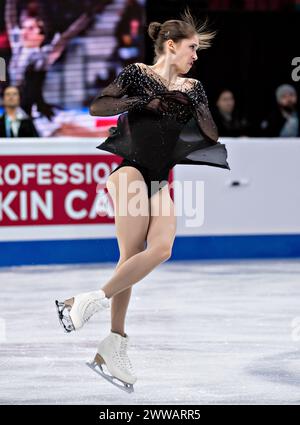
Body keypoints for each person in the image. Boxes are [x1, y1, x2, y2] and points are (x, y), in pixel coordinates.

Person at [55, 7, 230, 393]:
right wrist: (142, 103)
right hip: (130, 170)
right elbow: (98, 107)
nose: (195, 57)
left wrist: (192, 104)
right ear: (171, 45)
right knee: (131, 252)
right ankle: (114, 342)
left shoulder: (192, 86)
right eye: (191, 49)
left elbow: (211, 134)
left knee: (162, 248)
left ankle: (88, 304)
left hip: (160, 178)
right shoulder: (137, 73)